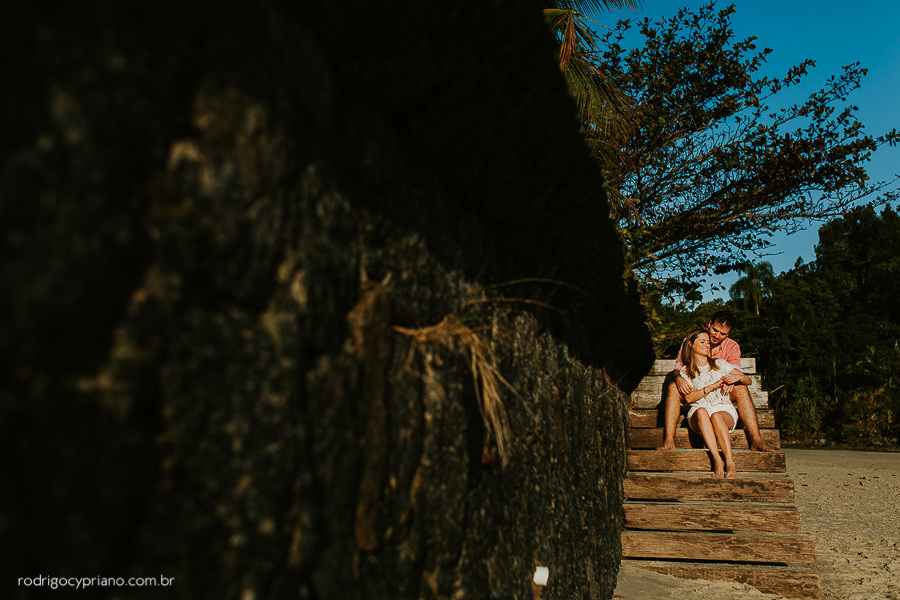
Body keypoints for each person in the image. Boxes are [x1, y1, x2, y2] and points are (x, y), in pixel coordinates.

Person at [655, 310, 774, 453]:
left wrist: (732, 380)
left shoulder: (732, 347)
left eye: (723, 334)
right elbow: (678, 368)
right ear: (709, 324)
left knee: (741, 389)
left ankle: (756, 440)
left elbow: (737, 374)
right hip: (693, 393)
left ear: (728, 334)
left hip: (719, 393)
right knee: (673, 387)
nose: (717, 336)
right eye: (715, 330)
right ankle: (669, 440)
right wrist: (679, 378)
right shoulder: (692, 340)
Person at [678, 329, 750, 478]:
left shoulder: (719, 363)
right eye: (702, 341)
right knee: (702, 411)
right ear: (691, 344)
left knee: (716, 416)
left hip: (723, 409)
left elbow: (748, 381)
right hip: (699, 412)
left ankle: (730, 462)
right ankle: (717, 460)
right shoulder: (686, 371)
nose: (707, 345)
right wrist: (714, 386)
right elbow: (689, 399)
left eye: (708, 342)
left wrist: (737, 378)